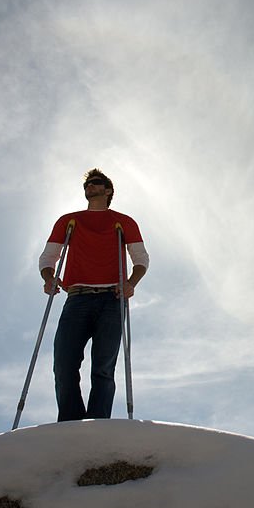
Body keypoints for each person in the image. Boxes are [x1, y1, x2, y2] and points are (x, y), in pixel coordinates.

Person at [39, 168, 149, 421]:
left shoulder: (123, 221)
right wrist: (48, 277)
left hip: (112, 299)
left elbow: (141, 258)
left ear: (108, 191)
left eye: (96, 183)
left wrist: (131, 283)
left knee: (103, 368)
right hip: (76, 297)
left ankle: (98, 423)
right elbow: (48, 257)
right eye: (88, 183)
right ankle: (70, 422)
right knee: (63, 366)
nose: (90, 186)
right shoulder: (69, 220)